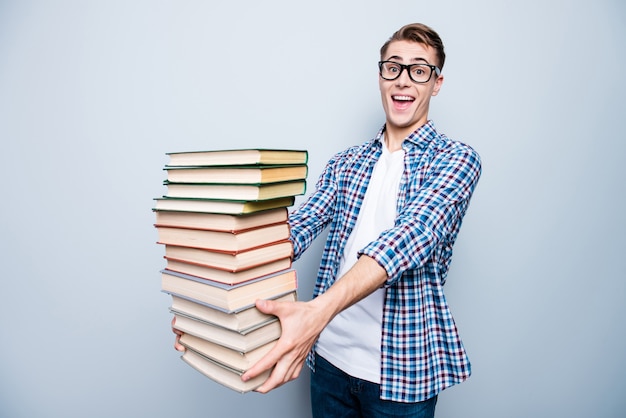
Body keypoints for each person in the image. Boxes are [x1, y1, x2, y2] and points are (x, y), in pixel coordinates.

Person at [174, 22, 481, 418]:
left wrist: (317, 312)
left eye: (419, 70)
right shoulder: (346, 162)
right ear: (380, 75)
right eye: (393, 67)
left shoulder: (456, 159)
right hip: (329, 362)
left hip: (402, 377)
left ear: (436, 83)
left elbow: (410, 238)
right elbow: (294, 231)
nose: (403, 80)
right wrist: (206, 301)